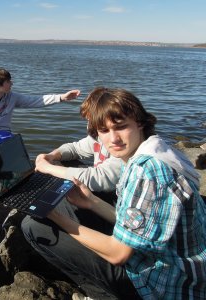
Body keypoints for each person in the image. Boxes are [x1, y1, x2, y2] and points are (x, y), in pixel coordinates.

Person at [22, 87, 206, 299]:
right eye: (104, 131)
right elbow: (138, 225)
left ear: (140, 122)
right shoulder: (158, 150)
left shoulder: (148, 172)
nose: (113, 139)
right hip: (183, 268)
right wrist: (91, 202)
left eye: (121, 127)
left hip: (164, 284)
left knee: (33, 226)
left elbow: (119, 253)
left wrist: (53, 215)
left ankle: (101, 294)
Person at [0, 67, 81, 166]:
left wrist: (61, 97)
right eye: (8, 81)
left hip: (5, 133)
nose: (12, 83)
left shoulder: (11, 97)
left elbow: (36, 100)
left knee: (21, 160)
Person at [35, 88, 121, 193]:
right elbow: (75, 148)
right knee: (58, 161)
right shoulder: (98, 137)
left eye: (92, 120)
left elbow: (101, 179)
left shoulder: (121, 145)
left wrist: (47, 168)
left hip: (114, 197)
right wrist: (51, 156)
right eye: (88, 120)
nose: (89, 125)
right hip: (101, 189)